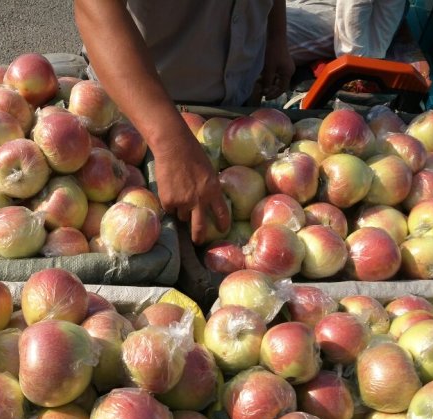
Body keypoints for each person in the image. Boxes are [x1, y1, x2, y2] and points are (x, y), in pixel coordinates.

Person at [74, 1, 295, 244]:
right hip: (141, 116)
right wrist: (168, 140)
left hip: (241, 96)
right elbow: (94, 6)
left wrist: (275, 35)